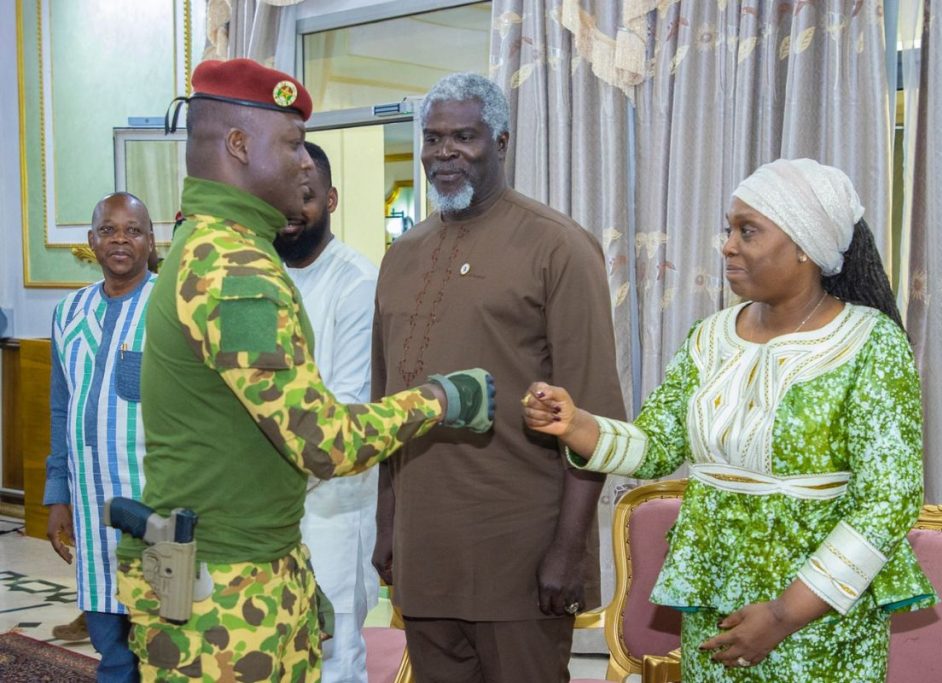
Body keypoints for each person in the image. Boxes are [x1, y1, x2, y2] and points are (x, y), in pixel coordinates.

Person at [114, 58, 495, 682]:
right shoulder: (235, 270)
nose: (304, 163)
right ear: (239, 145)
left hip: (244, 567)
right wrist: (442, 398)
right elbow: (322, 441)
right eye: (292, 144)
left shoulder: (212, 243)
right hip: (229, 593)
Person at [522, 158, 938, 682]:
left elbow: (888, 501)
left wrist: (783, 614)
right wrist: (575, 423)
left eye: (748, 231)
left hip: (820, 612)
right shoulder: (710, 337)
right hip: (714, 596)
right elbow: (657, 446)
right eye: (729, 229)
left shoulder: (870, 343)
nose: (727, 246)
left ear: (805, 245)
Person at [372, 72, 625, 683]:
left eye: (464, 137)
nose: (444, 153)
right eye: (433, 138)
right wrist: (387, 527)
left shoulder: (559, 247)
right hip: (425, 556)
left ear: (502, 142)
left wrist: (567, 552)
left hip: (522, 558)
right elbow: (386, 408)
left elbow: (593, 418)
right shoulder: (401, 256)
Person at [274, 141, 380, 683]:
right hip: (265, 507)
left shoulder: (356, 282)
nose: (292, 211)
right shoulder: (261, 276)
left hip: (331, 507)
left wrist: (265, 477)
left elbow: (342, 412)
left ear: (332, 199)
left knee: (333, 659)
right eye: (283, 196)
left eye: (307, 196)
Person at [45, 192, 157, 682]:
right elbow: (60, 408)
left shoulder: (170, 309)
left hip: (153, 502)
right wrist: (57, 495)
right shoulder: (68, 313)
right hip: (90, 503)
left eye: (132, 230)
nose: (120, 240)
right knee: (109, 640)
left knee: (160, 635)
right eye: (108, 230)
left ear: (150, 241)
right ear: (91, 240)